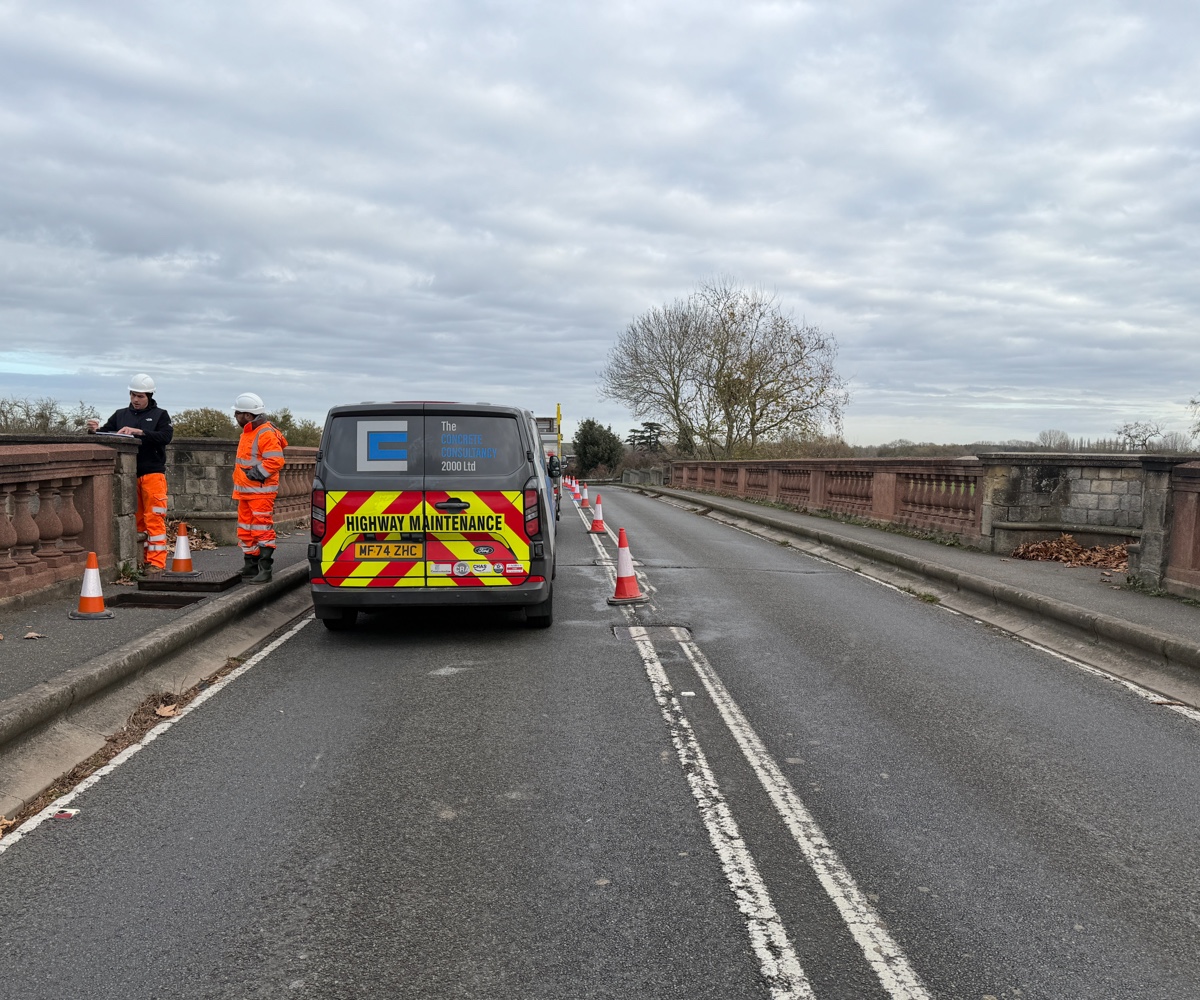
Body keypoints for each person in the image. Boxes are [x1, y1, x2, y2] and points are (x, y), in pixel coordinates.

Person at [87, 374, 174, 572]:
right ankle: (141, 560)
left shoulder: (160, 415)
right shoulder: (120, 415)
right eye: (133, 395)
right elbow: (106, 434)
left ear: (149, 396)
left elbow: (166, 437)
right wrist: (94, 431)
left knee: (154, 518)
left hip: (153, 474)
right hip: (128, 476)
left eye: (140, 396)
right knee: (137, 520)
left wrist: (139, 432)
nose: (135, 399)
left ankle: (156, 563)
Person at [232, 393, 288, 583]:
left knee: (262, 530)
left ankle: (265, 569)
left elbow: (276, 460)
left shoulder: (265, 433)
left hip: (260, 492)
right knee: (245, 530)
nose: (235, 416)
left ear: (248, 415)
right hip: (246, 491)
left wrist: (256, 473)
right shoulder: (249, 432)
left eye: (237, 413)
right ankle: (251, 565)